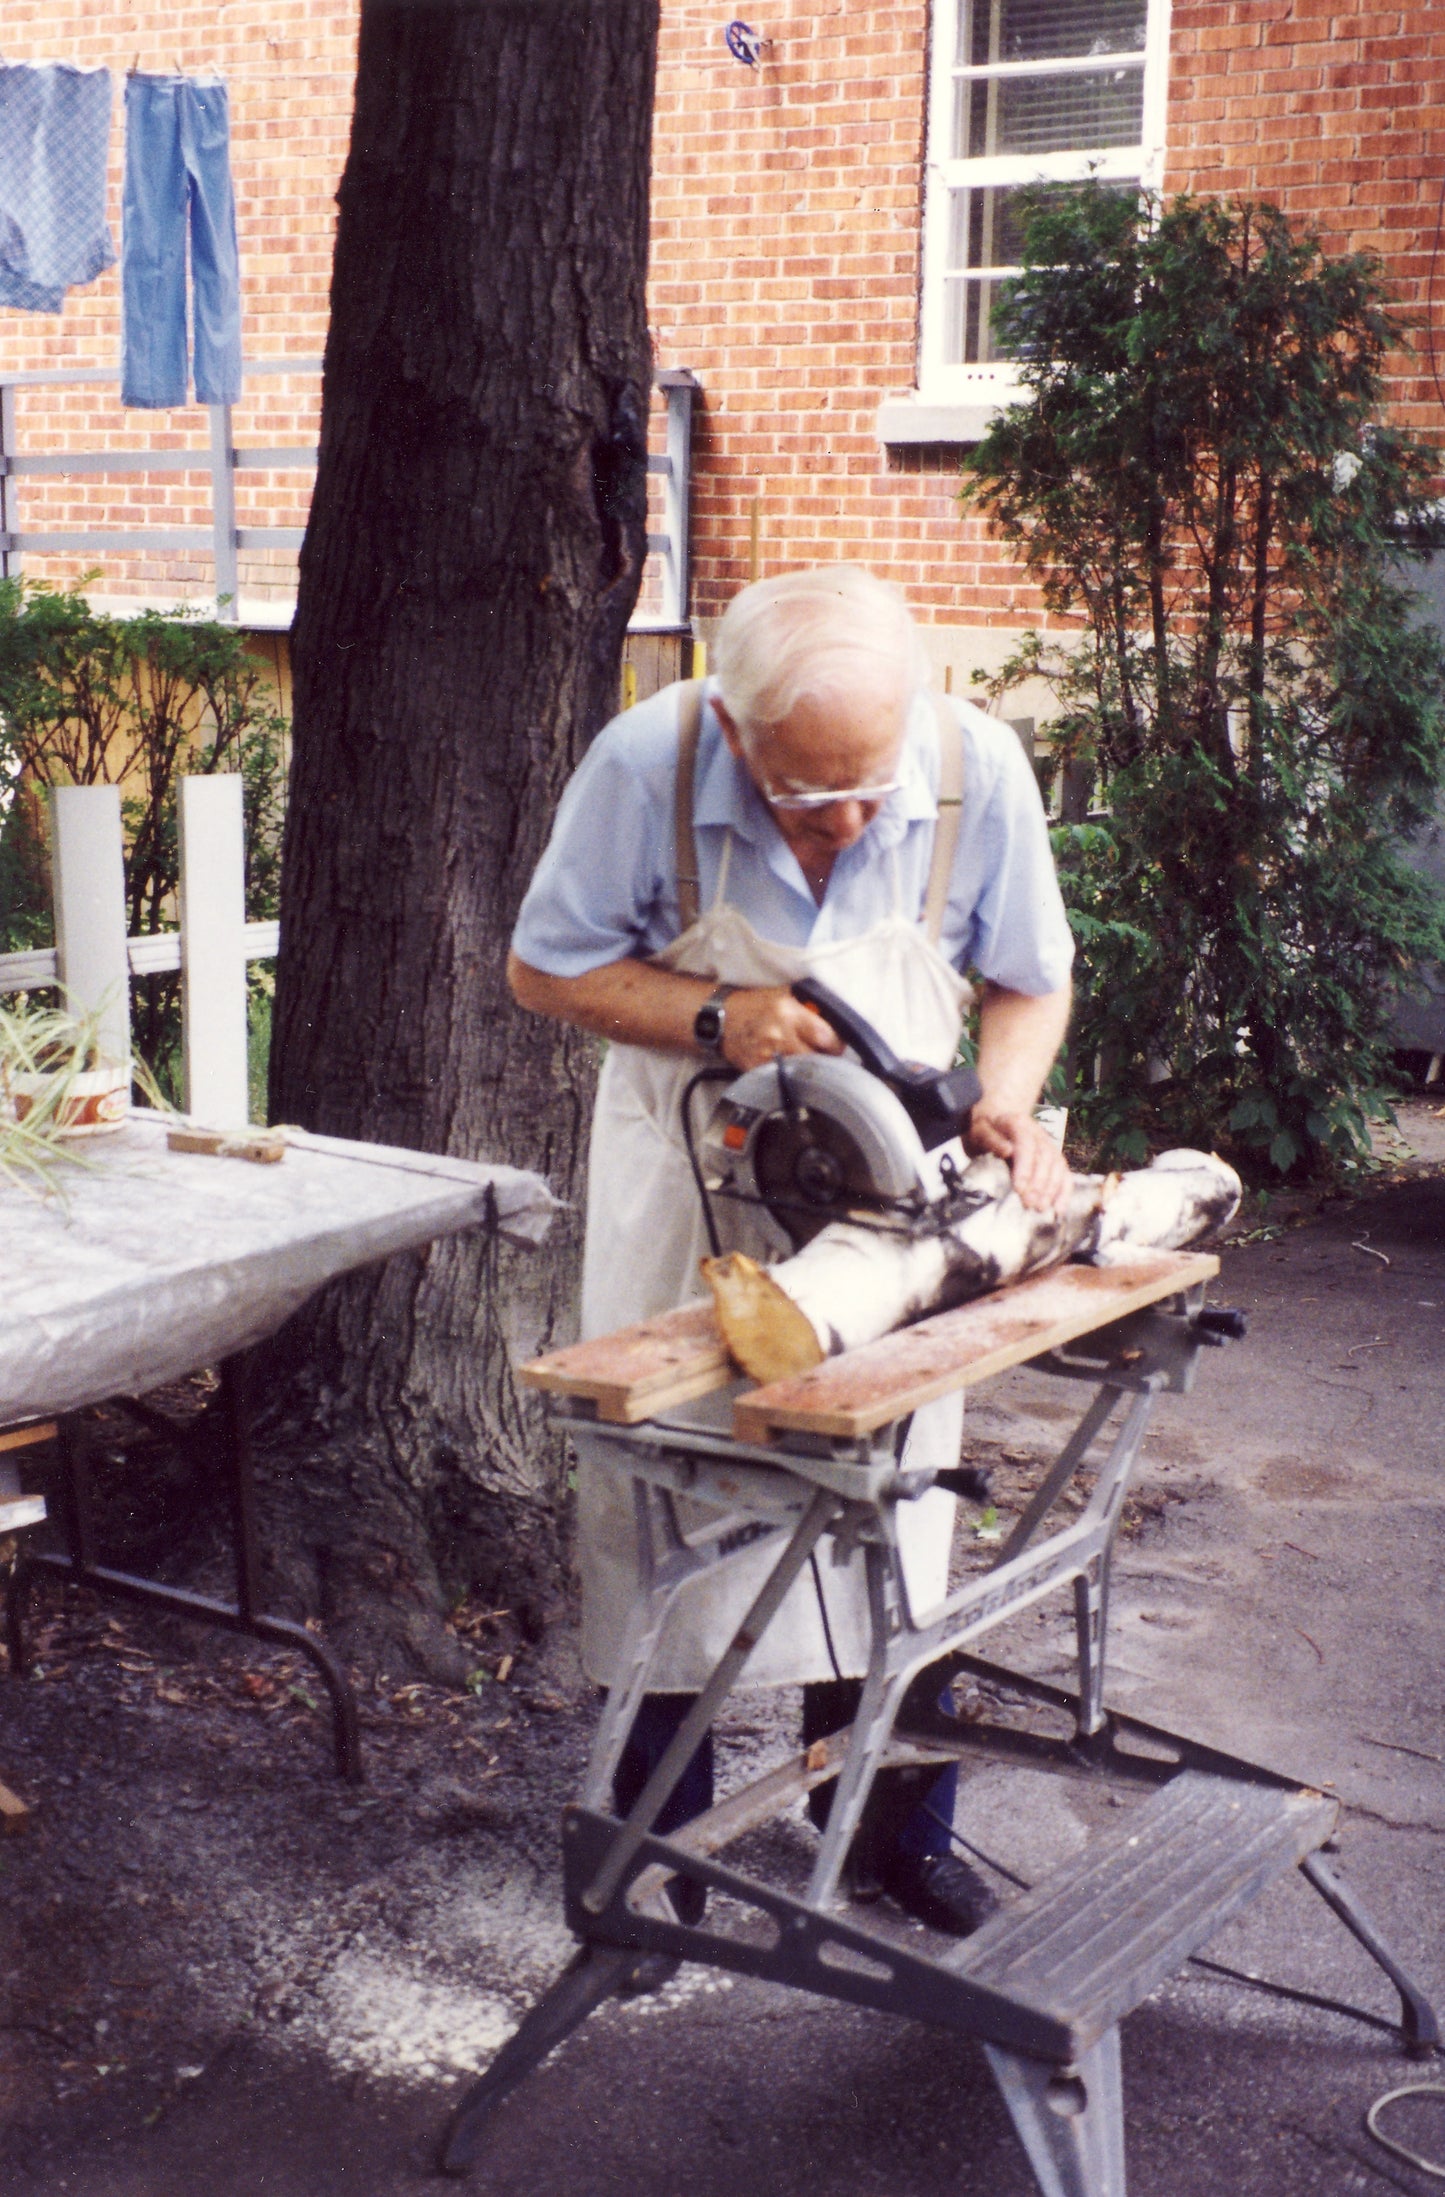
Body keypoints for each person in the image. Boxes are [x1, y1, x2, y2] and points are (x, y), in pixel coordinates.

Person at [509, 567, 1074, 1935]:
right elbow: (543, 967)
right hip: (692, 1175)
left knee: (898, 1499)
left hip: (894, 1200)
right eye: (803, 798)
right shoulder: (647, 763)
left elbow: (1029, 976)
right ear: (731, 729)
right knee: (670, 1495)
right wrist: (723, 1017)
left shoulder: (973, 764)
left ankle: (883, 1824)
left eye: (868, 791)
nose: (842, 824)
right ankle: (659, 1839)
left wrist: (1002, 1092)